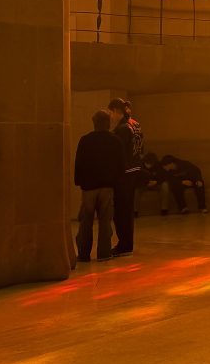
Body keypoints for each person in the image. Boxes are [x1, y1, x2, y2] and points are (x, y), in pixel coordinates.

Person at [73, 109, 124, 262]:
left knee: (86, 221)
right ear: (108, 124)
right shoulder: (115, 140)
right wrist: (117, 182)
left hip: (89, 186)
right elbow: (120, 164)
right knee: (105, 220)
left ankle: (83, 254)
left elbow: (79, 162)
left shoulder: (85, 140)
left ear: (94, 123)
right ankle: (104, 253)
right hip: (107, 186)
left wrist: (79, 181)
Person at [108, 97, 141, 255]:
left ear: (116, 111)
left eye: (111, 112)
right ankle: (128, 243)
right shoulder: (136, 125)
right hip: (134, 170)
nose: (111, 116)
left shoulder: (122, 129)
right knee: (127, 211)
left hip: (124, 174)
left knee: (121, 211)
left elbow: (117, 154)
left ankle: (124, 244)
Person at [136, 151, 171, 215]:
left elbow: (165, 176)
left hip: (155, 185)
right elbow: (136, 179)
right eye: (147, 163)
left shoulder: (158, 165)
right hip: (143, 185)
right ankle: (135, 211)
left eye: (150, 164)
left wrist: (157, 182)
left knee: (165, 185)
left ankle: (164, 209)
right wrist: (145, 183)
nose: (148, 166)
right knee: (135, 190)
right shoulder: (140, 166)